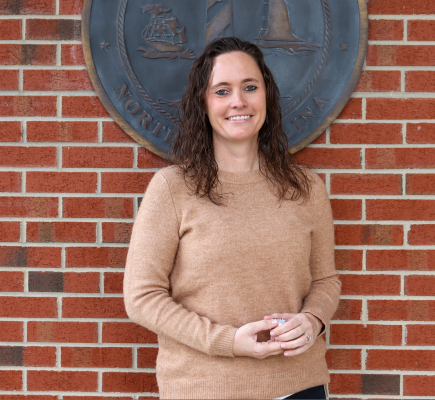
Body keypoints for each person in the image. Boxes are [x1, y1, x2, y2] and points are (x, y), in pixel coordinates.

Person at [123, 37, 341, 399]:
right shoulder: (172, 189)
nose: (238, 101)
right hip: (203, 388)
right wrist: (227, 342)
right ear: (203, 104)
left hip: (298, 386)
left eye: (250, 87)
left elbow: (325, 281)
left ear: (266, 97)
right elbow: (142, 297)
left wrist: (312, 321)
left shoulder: (306, 187)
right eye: (221, 91)